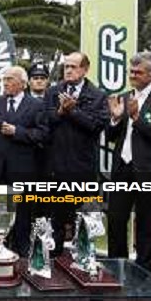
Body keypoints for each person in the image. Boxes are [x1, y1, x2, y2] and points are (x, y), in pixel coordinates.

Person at [106, 52, 151, 272]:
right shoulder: (125, 96)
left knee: (147, 222)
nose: (133, 75)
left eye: (138, 72)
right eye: (131, 71)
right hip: (122, 168)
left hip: (150, 171)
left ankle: (144, 270)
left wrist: (137, 119)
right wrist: (116, 119)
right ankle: (116, 265)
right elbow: (111, 136)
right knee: (116, 219)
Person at [44, 51, 109, 255]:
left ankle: (83, 259)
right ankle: (53, 260)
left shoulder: (97, 95)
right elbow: (45, 122)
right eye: (66, 67)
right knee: (56, 217)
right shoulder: (53, 92)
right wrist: (60, 112)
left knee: (84, 218)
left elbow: (96, 126)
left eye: (73, 66)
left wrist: (73, 111)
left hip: (82, 167)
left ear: (85, 69)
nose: (69, 70)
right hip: (56, 166)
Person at [0, 66, 49, 256]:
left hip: (23, 171)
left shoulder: (35, 105)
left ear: (23, 82)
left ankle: (21, 255)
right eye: (4, 80)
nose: (5, 83)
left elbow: (43, 134)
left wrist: (17, 132)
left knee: (21, 216)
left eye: (10, 79)